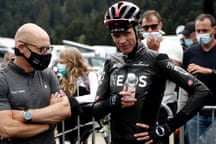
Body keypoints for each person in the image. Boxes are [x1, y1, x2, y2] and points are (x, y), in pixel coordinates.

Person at [92, 1, 212, 144]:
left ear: (138, 29)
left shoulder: (157, 60)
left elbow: (201, 91)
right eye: (116, 36)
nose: (122, 40)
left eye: (126, 33)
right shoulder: (111, 62)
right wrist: (114, 101)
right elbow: (96, 110)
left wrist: (167, 127)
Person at [0, 23, 72, 144]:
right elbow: (7, 129)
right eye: (41, 49)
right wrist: (49, 123)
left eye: (48, 48)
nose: (47, 54)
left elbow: (65, 109)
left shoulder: (48, 75)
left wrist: (25, 115)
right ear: (21, 47)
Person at [141, 10, 183, 144]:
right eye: (145, 27)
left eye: (153, 26)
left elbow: (174, 72)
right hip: (141, 105)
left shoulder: (173, 45)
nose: (149, 30)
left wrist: (155, 52)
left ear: (160, 25)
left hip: (165, 105)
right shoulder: (137, 45)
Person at [182, 13, 216, 144]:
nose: (201, 34)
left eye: (205, 30)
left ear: (214, 29)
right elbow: (183, 83)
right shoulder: (190, 52)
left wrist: (209, 71)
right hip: (196, 113)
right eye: (198, 31)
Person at [56, 47, 99, 144]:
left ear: (72, 62)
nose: (60, 66)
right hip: (67, 118)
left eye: (62, 63)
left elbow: (94, 96)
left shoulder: (89, 75)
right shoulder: (62, 77)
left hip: (83, 115)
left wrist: (72, 100)